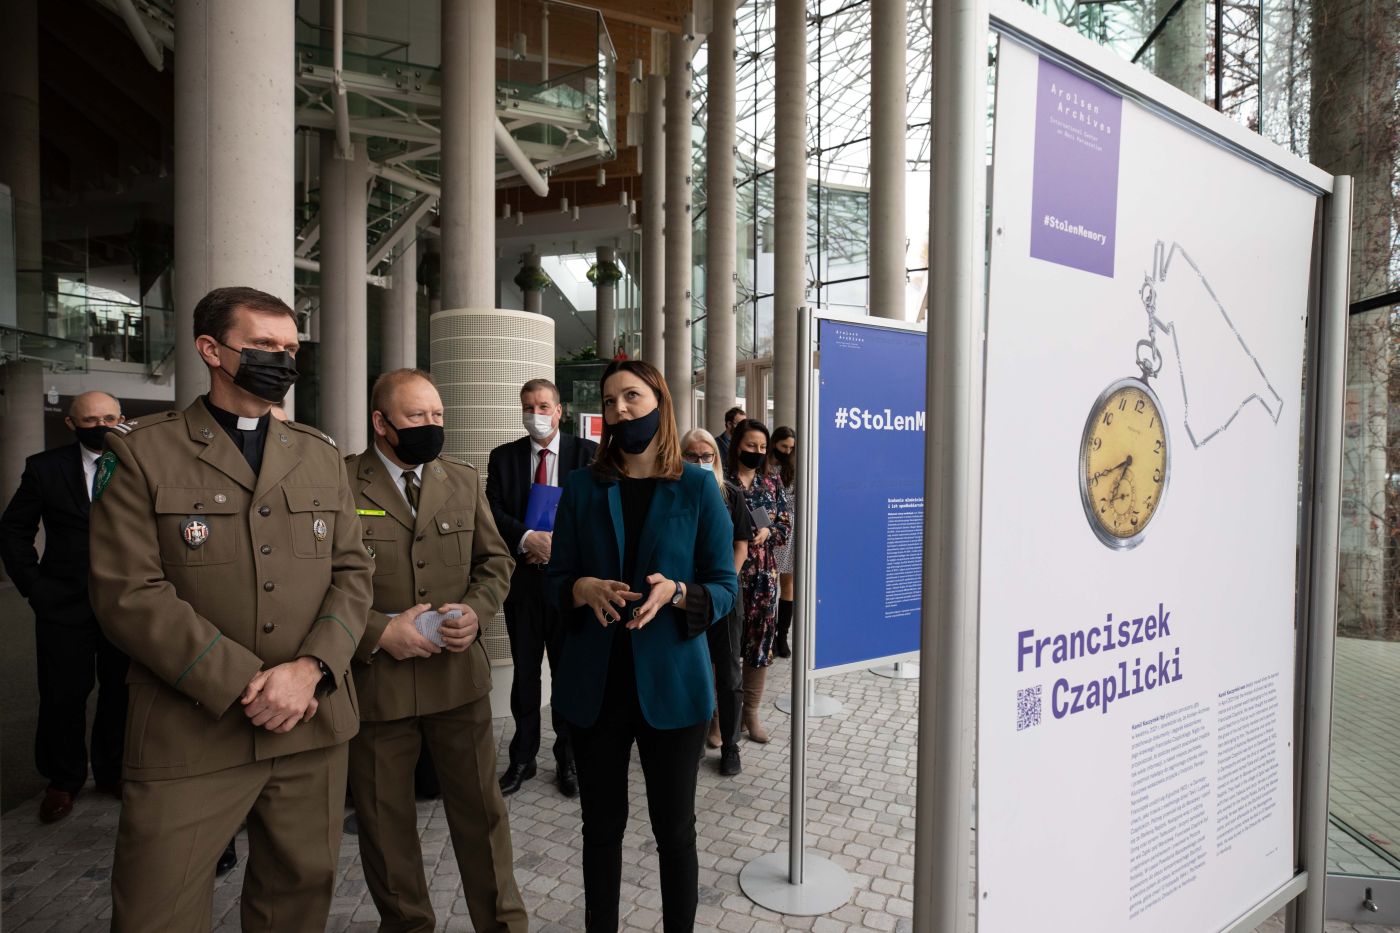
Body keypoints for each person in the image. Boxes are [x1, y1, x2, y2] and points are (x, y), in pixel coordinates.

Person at [87, 286, 374, 932]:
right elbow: (127, 591)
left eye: (291, 348)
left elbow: (354, 572)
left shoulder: (320, 453)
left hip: (309, 723)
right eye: (264, 345)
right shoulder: (141, 451)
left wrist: (310, 670)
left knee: (295, 903)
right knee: (156, 911)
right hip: (189, 728)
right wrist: (247, 682)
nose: (283, 360)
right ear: (211, 350)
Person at [548, 360, 739, 932]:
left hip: (673, 687)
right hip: (596, 686)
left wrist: (678, 593)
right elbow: (554, 582)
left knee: (674, 831)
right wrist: (581, 588)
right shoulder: (582, 486)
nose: (620, 409)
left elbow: (724, 588)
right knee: (601, 829)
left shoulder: (698, 486)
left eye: (631, 396)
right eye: (610, 401)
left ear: (659, 400)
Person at [346, 368, 527, 933]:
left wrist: (476, 610)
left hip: (457, 682)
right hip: (378, 686)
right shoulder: (339, 482)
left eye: (437, 415)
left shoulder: (462, 479)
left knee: (482, 814)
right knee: (385, 824)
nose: (432, 424)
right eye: (417, 416)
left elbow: (495, 562)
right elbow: (320, 583)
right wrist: (377, 632)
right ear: (381, 423)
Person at [0, 391, 128, 825]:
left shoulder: (139, 464)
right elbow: (13, 531)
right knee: (63, 694)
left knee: (121, 691)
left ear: (122, 419)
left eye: (109, 418)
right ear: (72, 424)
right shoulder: (44, 467)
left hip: (127, 602)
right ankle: (63, 780)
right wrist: (35, 588)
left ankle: (112, 771)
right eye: (90, 420)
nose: (101, 426)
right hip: (62, 603)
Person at [486, 377, 597, 798]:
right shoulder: (504, 457)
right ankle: (523, 757)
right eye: (529, 407)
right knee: (525, 672)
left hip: (569, 586)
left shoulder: (587, 455)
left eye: (544, 406)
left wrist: (557, 546)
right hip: (524, 585)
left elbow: (595, 513)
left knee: (567, 672)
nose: (536, 414)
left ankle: (567, 757)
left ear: (559, 410)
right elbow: (492, 509)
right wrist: (527, 538)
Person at [679, 427, 751, 777]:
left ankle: (730, 745)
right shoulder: (674, 493)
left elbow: (741, 546)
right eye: (692, 456)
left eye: (707, 456)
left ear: (716, 458)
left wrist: (725, 587)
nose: (700, 461)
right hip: (685, 598)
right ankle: (693, 743)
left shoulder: (730, 494)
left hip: (724, 598)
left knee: (729, 673)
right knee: (693, 671)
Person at [727, 419, 791, 744]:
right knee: (726, 646)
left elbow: (785, 524)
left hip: (764, 577)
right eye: (751, 445)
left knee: (760, 643)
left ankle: (750, 713)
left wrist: (769, 531)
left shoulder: (771, 481)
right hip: (730, 572)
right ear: (737, 444)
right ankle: (721, 716)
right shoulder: (722, 480)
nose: (757, 451)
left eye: (763, 447)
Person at [768, 426, 797, 659]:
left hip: (791, 530)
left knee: (788, 583)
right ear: (774, 443)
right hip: (768, 530)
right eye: (783, 446)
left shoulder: (794, 469)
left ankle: (782, 636)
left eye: (791, 447)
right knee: (768, 583)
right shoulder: (764, 466)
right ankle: (768, 635)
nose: (787, 451)